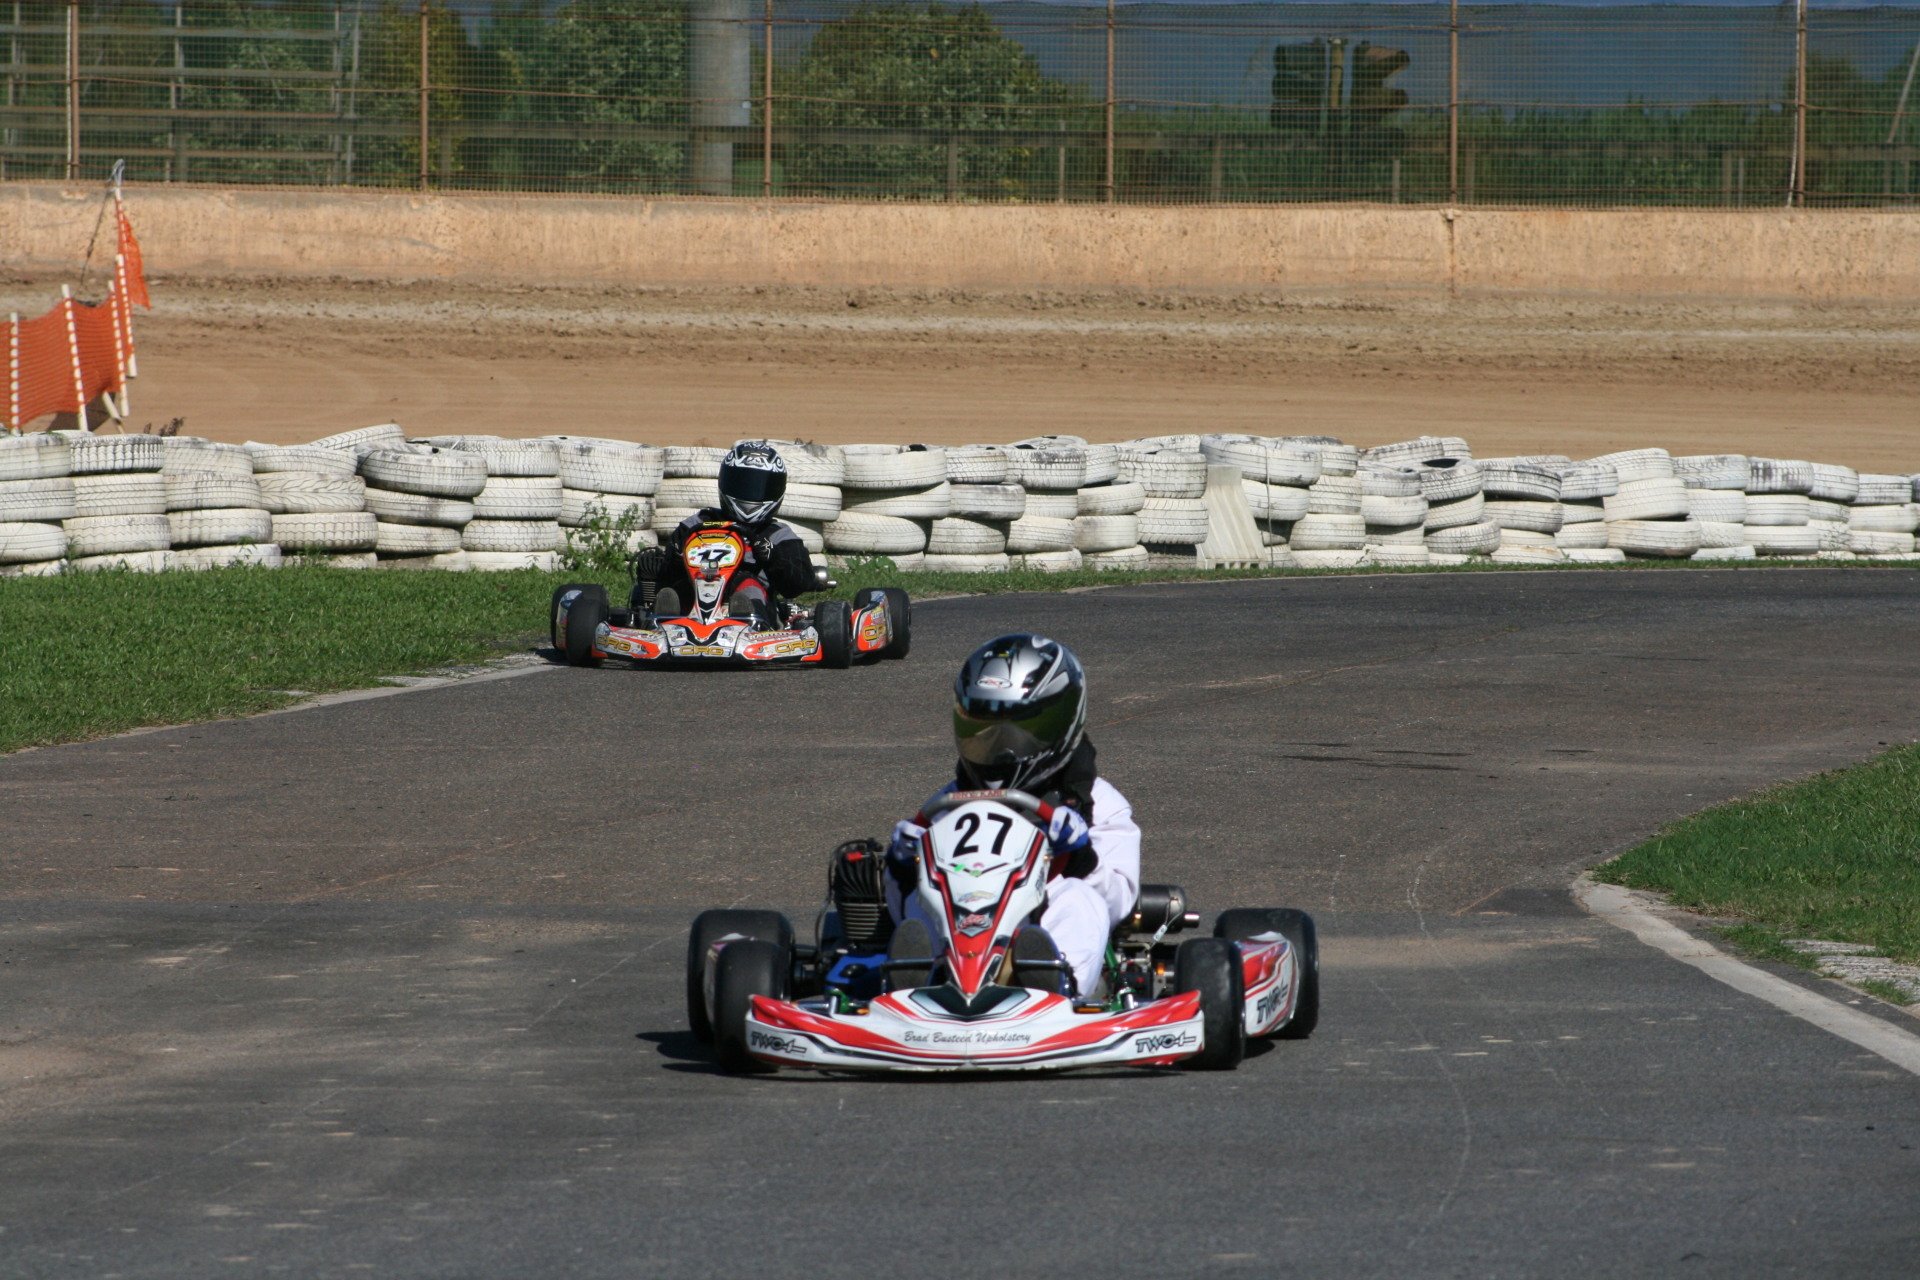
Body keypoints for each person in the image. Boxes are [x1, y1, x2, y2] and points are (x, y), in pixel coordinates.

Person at [880, 633, 1140, 997]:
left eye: (1022, 733)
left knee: (1080, 900)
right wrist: (901, 866)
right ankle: (918, 985)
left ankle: (1055, 984)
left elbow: (1119, 902)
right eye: (984, 732)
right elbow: (900, 907)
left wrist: (1083, 857)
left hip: (1038, 924)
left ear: (1061, 725)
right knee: (920, 903)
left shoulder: (1099, 802)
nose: (1001, 751)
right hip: (962, 927)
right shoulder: (946, 804)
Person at [631, 441, 816, 622]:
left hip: (752, 602)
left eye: (757, 486)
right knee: (675, 592)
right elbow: (666, 576)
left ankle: (746, 621)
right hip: (694, 593)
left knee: (748, 589)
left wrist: (772, 557)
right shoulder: (695, 524)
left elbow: (797, 584)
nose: (749, 493)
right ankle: (664, 620)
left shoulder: (778, 536)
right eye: (742, 484)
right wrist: (674, 558)